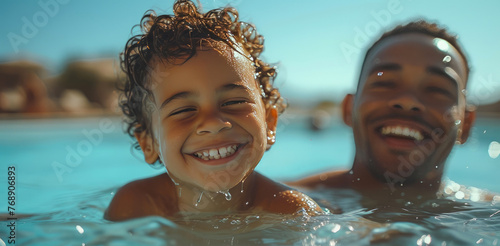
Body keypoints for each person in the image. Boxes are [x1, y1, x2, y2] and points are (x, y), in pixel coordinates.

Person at [105, 0, 322, 221]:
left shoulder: (293, 213)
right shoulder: (136, 205)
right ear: (149, 143)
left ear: (269, 122)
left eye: (233, 102)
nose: (213, 123)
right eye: (184, 110)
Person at [289, 20, 498, 210]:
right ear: (348, 109)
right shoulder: (278, 202)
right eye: (385, 82)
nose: (408, 101)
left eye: (437, 89)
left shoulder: (491, 215)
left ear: (467, 125)